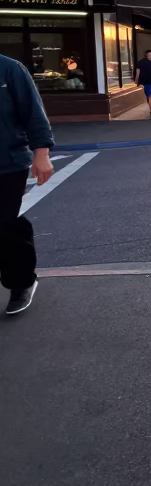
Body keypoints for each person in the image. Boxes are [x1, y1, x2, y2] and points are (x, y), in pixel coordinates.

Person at [0, 52, 54, 314]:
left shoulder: (10, 70)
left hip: (7, 163)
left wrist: (41, 154)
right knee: (6, 222)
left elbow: (33, 113)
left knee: (3, 222)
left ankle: (21, 282)